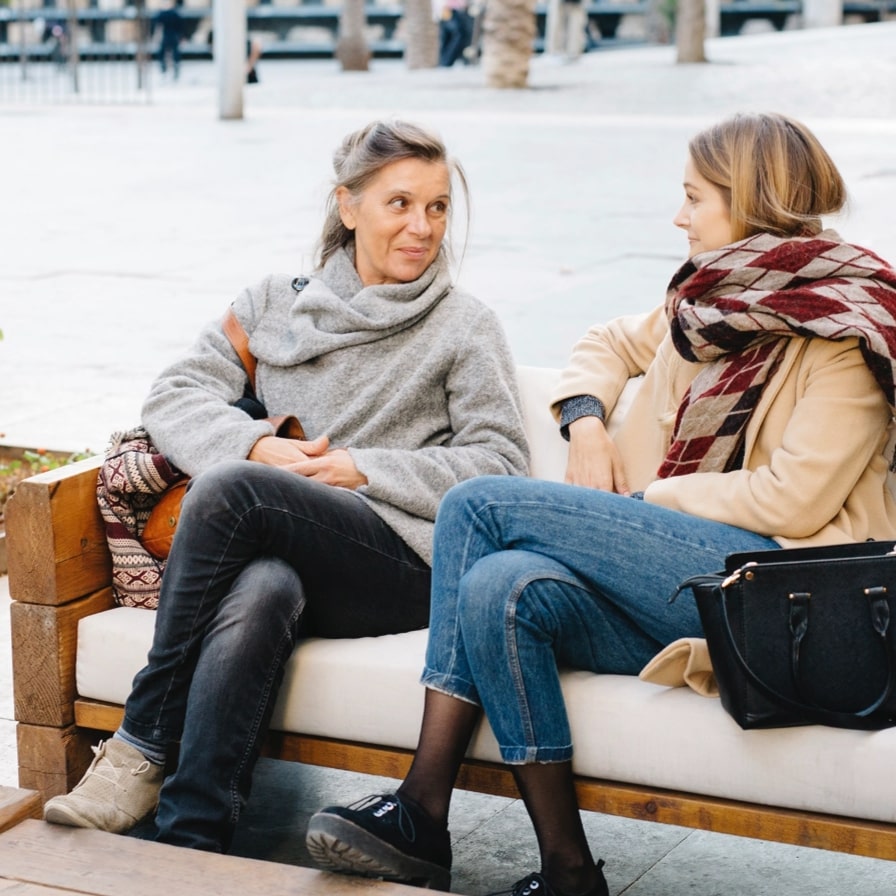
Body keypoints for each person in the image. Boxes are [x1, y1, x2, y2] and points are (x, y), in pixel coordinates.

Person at [305, 112, 896, 896]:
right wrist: (585, 425)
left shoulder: (844, 333)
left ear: (750, 202)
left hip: (778, 597)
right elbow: (606, 344)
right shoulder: (710, 305)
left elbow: (794, 497)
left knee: (478, 506)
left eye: (694, 198)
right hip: (690, 584)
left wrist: (648, 498)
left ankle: (422, 804)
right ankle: (569, 871)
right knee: (501, 589)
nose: (679, 216)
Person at [42, 119, 530, 853]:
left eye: (437, 208)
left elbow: (501, 466)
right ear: (348, 205)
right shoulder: (273, 304)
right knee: (263, 584)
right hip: (292, 550)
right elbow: (175, 393)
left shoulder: (464, 325)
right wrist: (256, 443)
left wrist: (361, 467)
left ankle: (140, 743)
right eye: (400, 203)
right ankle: (192, 838)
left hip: (401, 561)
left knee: (235, 491)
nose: (423, 227)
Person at [152, 0, 184, 80]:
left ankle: (164, 70)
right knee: (174, 53)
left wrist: (155, 36)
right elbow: (180, 26)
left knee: (163, 53)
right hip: (172, 36)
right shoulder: (174, 14)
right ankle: (174, 70)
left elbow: (157, 26)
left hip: (167, 36)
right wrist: (181, 36)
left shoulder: (162, 14)